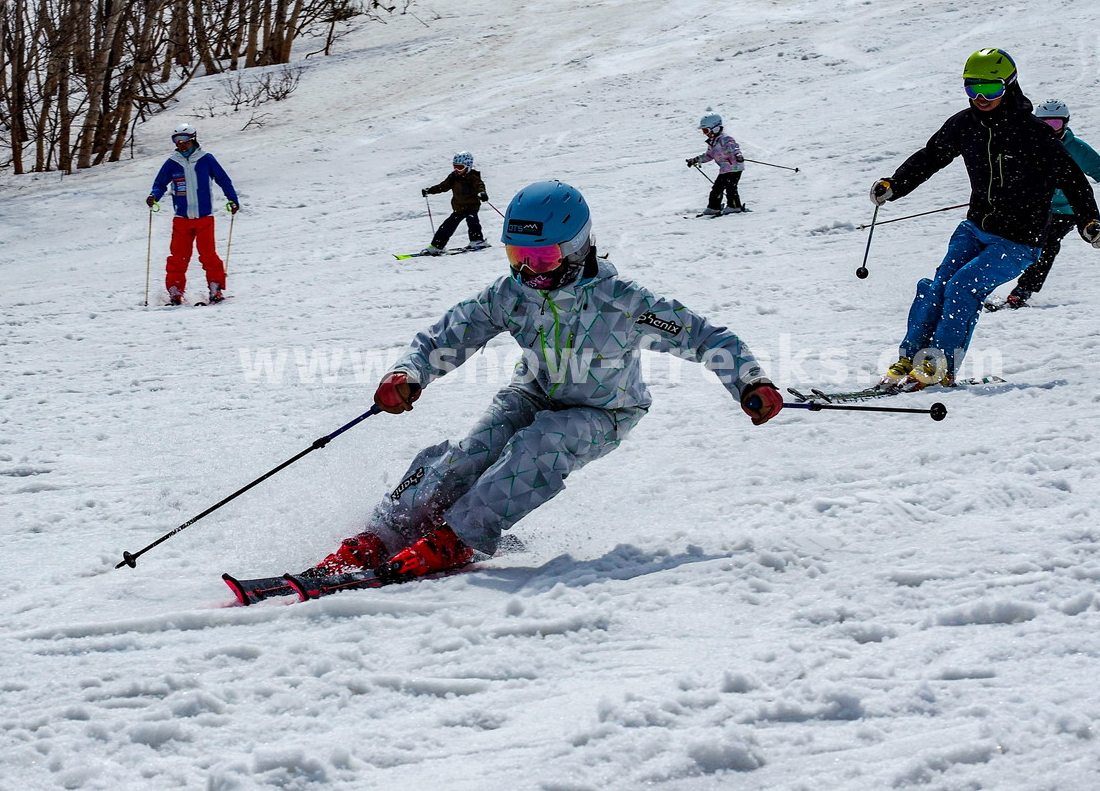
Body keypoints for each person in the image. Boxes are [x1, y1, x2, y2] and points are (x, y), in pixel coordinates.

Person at [307, 180, 783, 581]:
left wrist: (749, 382)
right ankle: (385, 534)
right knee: (474, 451)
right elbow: (453, 332)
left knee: (540, 445)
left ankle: (458, 538)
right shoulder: (510, 293)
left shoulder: (624, 301)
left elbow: (705, 338)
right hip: (532, 390)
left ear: (578, 247)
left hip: (604, 410)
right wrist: (409, 374)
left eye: (544, 257)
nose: (529, 270)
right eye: (518, 256)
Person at [869, 48, 1100, 390]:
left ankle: (939, 366)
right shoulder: (965, 124)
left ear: (1009, 86)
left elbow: (1072, 179)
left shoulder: (1033, 132)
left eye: (991, 89)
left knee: (962, 288)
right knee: (935, 288)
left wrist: (1088, 222)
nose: (981, 97)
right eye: (972, 88)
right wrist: (896, 184)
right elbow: (932, 156)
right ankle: (910, 358)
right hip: (974, 228)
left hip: (1019, 241)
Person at [996, 100, 1100, 309]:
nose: (1050, 129)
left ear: (1065, 123)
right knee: (1011, 239)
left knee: (1048, 243)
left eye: (1055, 124)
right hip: (1036, 206)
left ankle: (1021, 292)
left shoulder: (1078, 149)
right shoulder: (1029, 144)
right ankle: (986, 284)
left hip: (1066, 210)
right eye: (1045, 123)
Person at [145, 124, 239, 305]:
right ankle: (175, 292)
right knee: (178, 258)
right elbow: (159, 183)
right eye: (176, 140)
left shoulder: (206, 159)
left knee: (208, 255)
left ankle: (215, 288)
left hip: (205, 218)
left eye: (184, 139)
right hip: (182, 219)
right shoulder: (172, 162)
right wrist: (153, 196)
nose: (180, 144)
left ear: (193, 139)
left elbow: (223, 180)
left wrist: (232, 199)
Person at [419, 152, 488, 256]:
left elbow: (480, 186)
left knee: (472, 221)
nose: (457, 170)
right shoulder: (453, 177)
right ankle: (437, 246)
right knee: (447, 226)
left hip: (471, 206)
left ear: (468, 166)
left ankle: (477, 241)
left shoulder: (473, 177)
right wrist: (430, 190)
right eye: (455, 167)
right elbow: (443, 186)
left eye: (460, 167)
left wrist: (482, 193)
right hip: (459, 208)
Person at [685, 114, 746, 216]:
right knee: (717, 188)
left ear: (716, 128)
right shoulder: (713, 142)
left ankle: (734, 206)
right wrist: (695, 160)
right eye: (703, 131)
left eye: (706, 131)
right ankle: (713, 207)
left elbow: (734, 148)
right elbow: (709, 155)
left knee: (731, 187)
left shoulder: (726, 139)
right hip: (725, 169)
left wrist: (738, 155)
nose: (705, 134)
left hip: (735, 168)